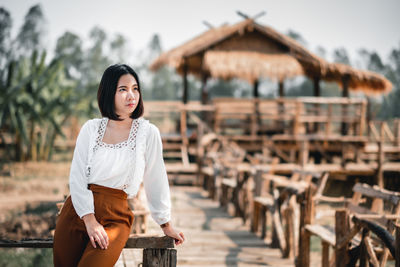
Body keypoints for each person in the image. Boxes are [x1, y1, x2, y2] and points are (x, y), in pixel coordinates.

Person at [53, 64, 185, 267]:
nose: (131, 95)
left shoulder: (148, 133)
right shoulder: (91, 129)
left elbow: (156, 178)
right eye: (122, 89)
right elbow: (77, 176)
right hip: (77, 212)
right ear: (108, 93)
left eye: (135, 88)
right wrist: (89, 219)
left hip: (116, 216)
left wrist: (165, 224)